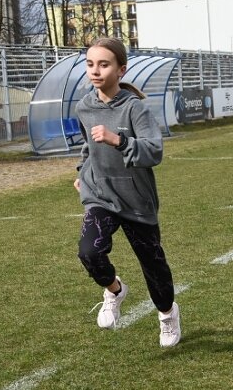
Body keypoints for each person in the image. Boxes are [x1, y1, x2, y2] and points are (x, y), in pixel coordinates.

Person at [73, 37, 181, 348]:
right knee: (89, 252)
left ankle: (167, 314)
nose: (95, 70)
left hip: (136, 199)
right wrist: (82, 172)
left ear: (121, 69)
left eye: (103, 64)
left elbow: (153, 152)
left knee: (153, 264)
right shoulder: (84, 106)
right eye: (90, 64)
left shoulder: (135, 109)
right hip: (100, 194)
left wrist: (118, 141)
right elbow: (86, 146)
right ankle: (115, 290)